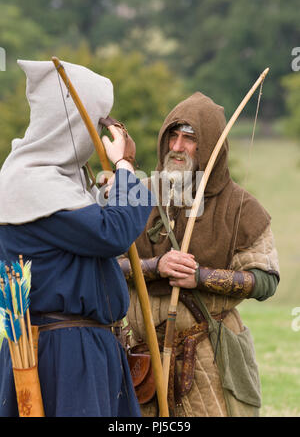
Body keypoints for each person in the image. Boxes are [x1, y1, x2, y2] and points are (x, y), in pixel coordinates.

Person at [0, 59, 153, 417]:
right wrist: (126, 165)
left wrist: (114, 189)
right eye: (97, 122)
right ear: (72, 122)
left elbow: (90, 235)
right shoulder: (30, 183)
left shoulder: (52, 182)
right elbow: (112, 232)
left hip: (79, 347)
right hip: (64, 354)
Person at [118, 91, 280, 417]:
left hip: (209, 355)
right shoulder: (140, 195)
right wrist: (154, 267)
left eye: (189, 139)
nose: (177, 147)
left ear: (210, 147)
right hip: (142, 355)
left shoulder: (241, 207)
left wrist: (199, 277)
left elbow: (265, 281)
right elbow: (102, 264)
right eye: (172, 137)